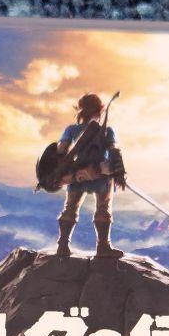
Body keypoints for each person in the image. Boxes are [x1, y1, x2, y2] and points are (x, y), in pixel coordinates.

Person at [55, 93, 126, 258]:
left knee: (70, 208)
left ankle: (63, 245)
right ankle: (103, 246)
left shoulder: (71, 130)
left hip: (77, 176)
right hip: (101, 176)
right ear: (99, 110)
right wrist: (119, 173)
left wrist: (61, 172)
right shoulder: (107, 131)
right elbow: (114, 151)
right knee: (103, 209)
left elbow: (61, 151)